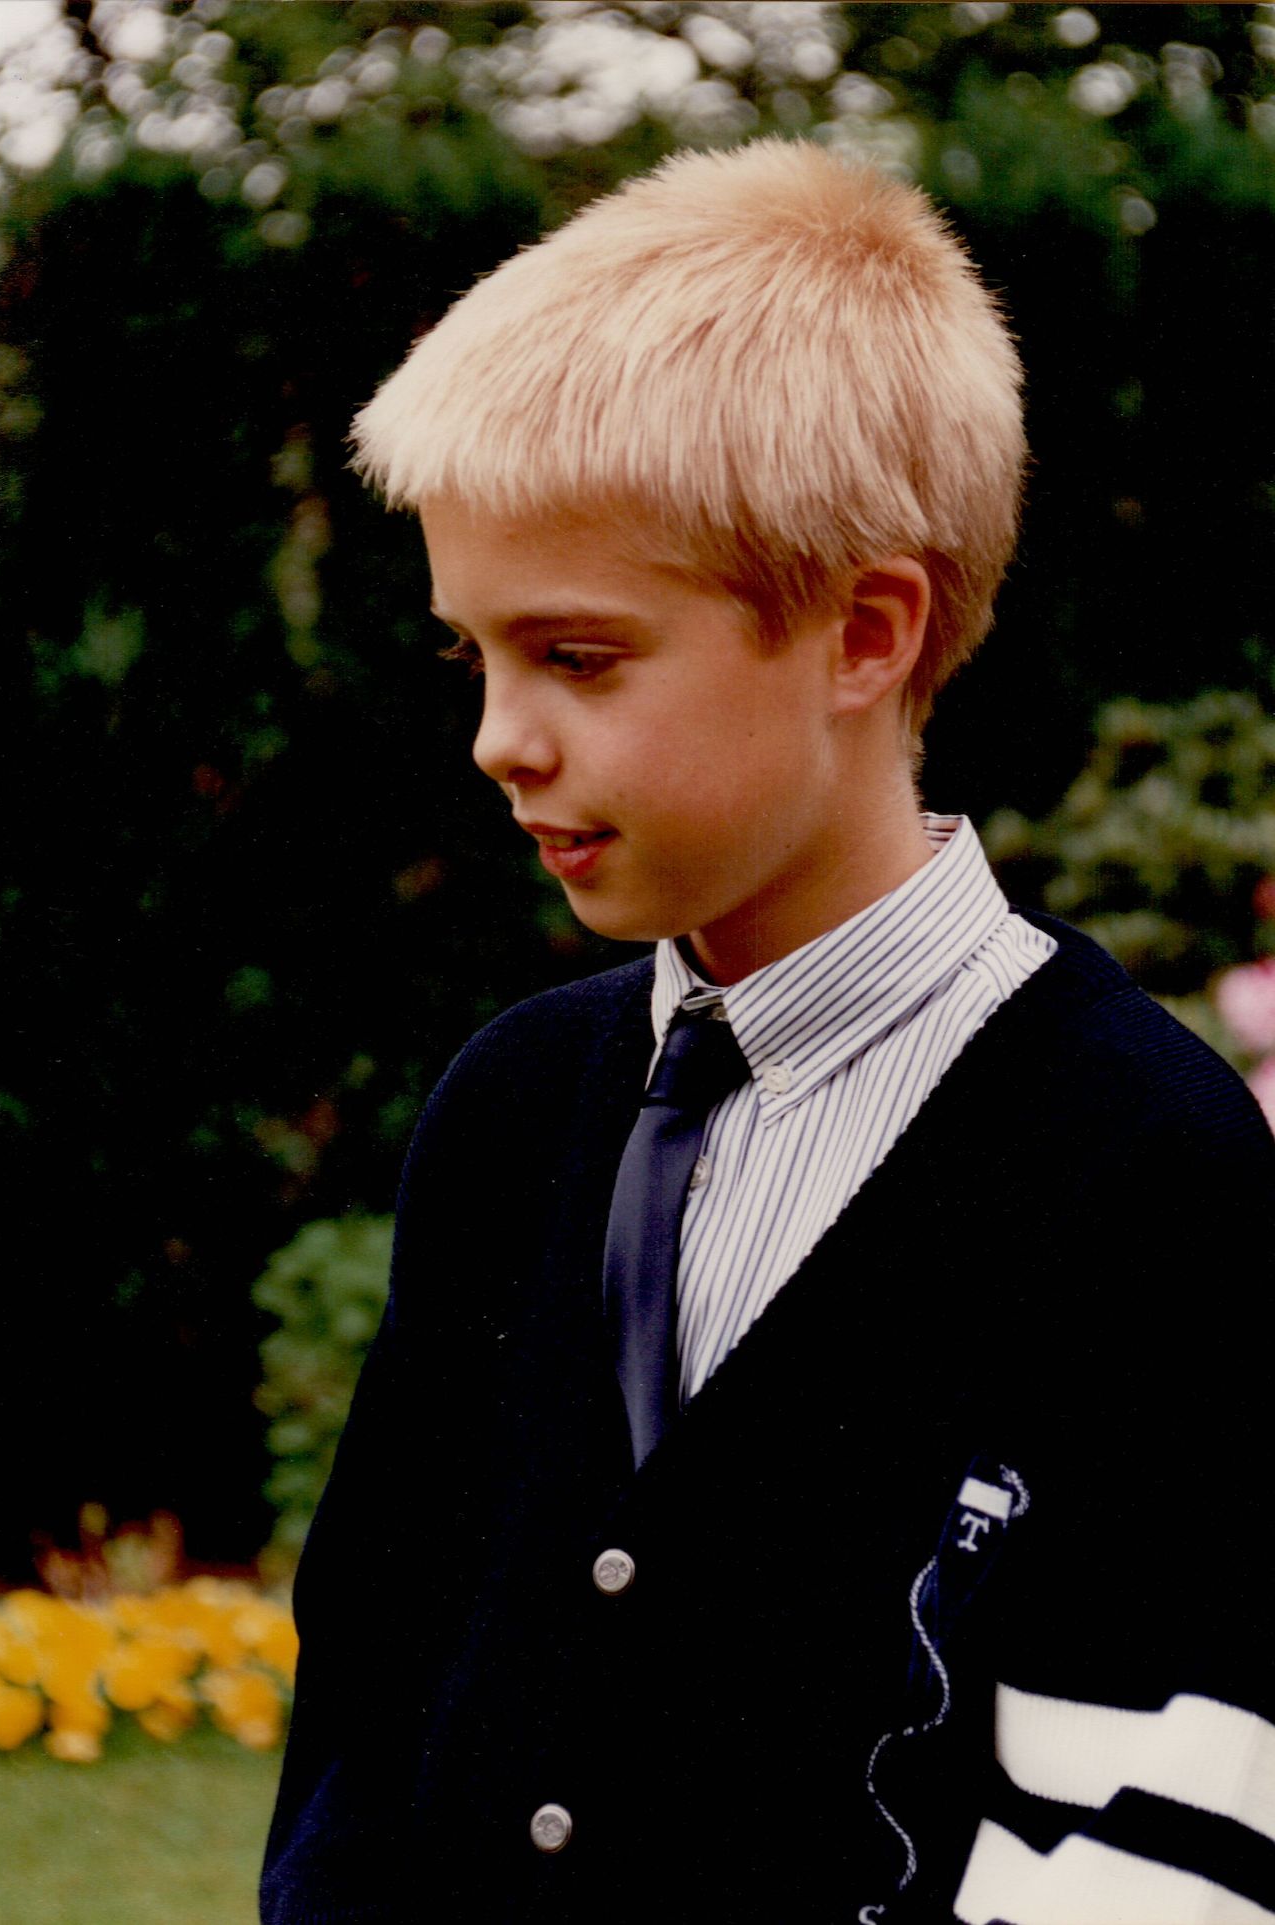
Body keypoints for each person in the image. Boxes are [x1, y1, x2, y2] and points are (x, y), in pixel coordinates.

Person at [261, 139, 1275, 1924]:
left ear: (865, 631)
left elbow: (1155, 1839)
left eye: (577, 657)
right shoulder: (508, 1111)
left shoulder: (1149, 1167)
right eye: (472, 659)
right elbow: (368, 1699)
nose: (500, 736)